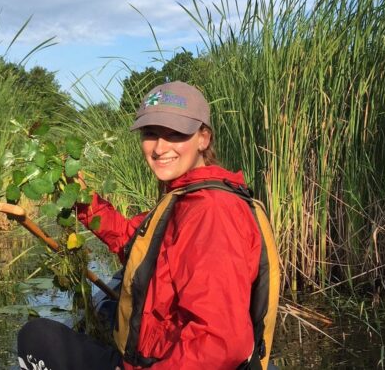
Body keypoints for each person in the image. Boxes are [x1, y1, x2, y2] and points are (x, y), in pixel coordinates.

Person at [17, 81, 263, 370]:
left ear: (203, 138)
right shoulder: (187, 197)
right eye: (151, 134)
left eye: (175, 134)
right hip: (154, 354)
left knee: (37, 338)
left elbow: (221, 341)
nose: (160, 148)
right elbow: (136, 244)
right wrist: (83, 200)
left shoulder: (211, 212)